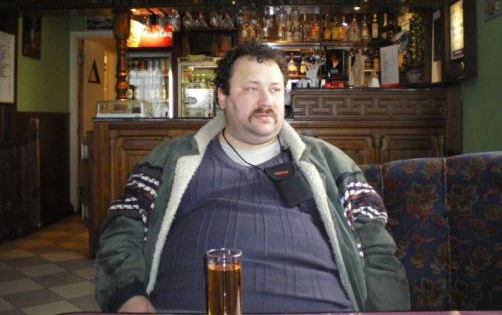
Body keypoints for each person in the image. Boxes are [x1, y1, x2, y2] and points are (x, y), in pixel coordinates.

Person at [94, 43, 410, 313]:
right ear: (222, 96)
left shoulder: (329, 161)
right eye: (251, 88)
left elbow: (376, 245)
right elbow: (123, 226)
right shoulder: (170, 160)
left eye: (275, 89)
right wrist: (128, 294)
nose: (266, 101)